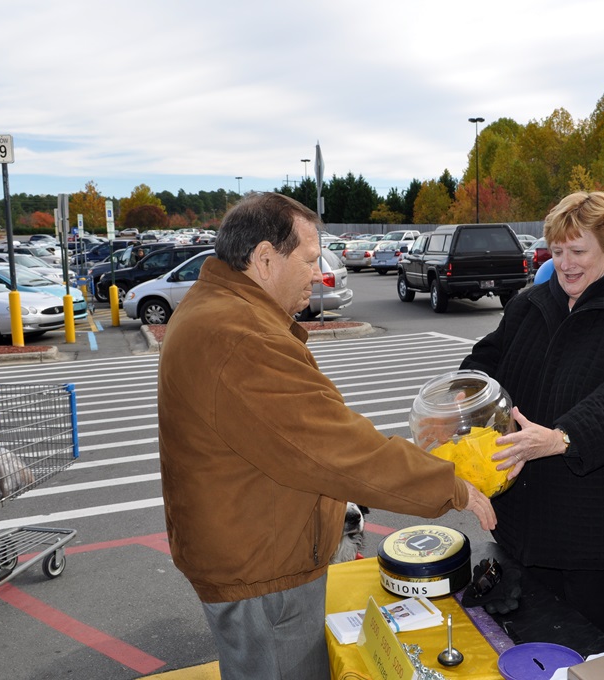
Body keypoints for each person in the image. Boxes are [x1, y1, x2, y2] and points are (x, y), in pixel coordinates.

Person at [156, 192, 496, 680]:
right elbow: (335, 447)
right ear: (265, 259)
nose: (319, 273)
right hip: (262, 571)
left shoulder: (220, 309)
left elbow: (296, 437)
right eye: (311, 259)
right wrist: (450, 485)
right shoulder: (240, 336)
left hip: (251, 551)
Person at [459, 190, 604, 648]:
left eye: (578, 250)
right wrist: (457, 403)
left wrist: (563, 436)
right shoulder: (529, 305)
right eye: (557, 251)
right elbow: (483, 367)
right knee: (537, 653)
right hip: (531, 533)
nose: (565, 263)